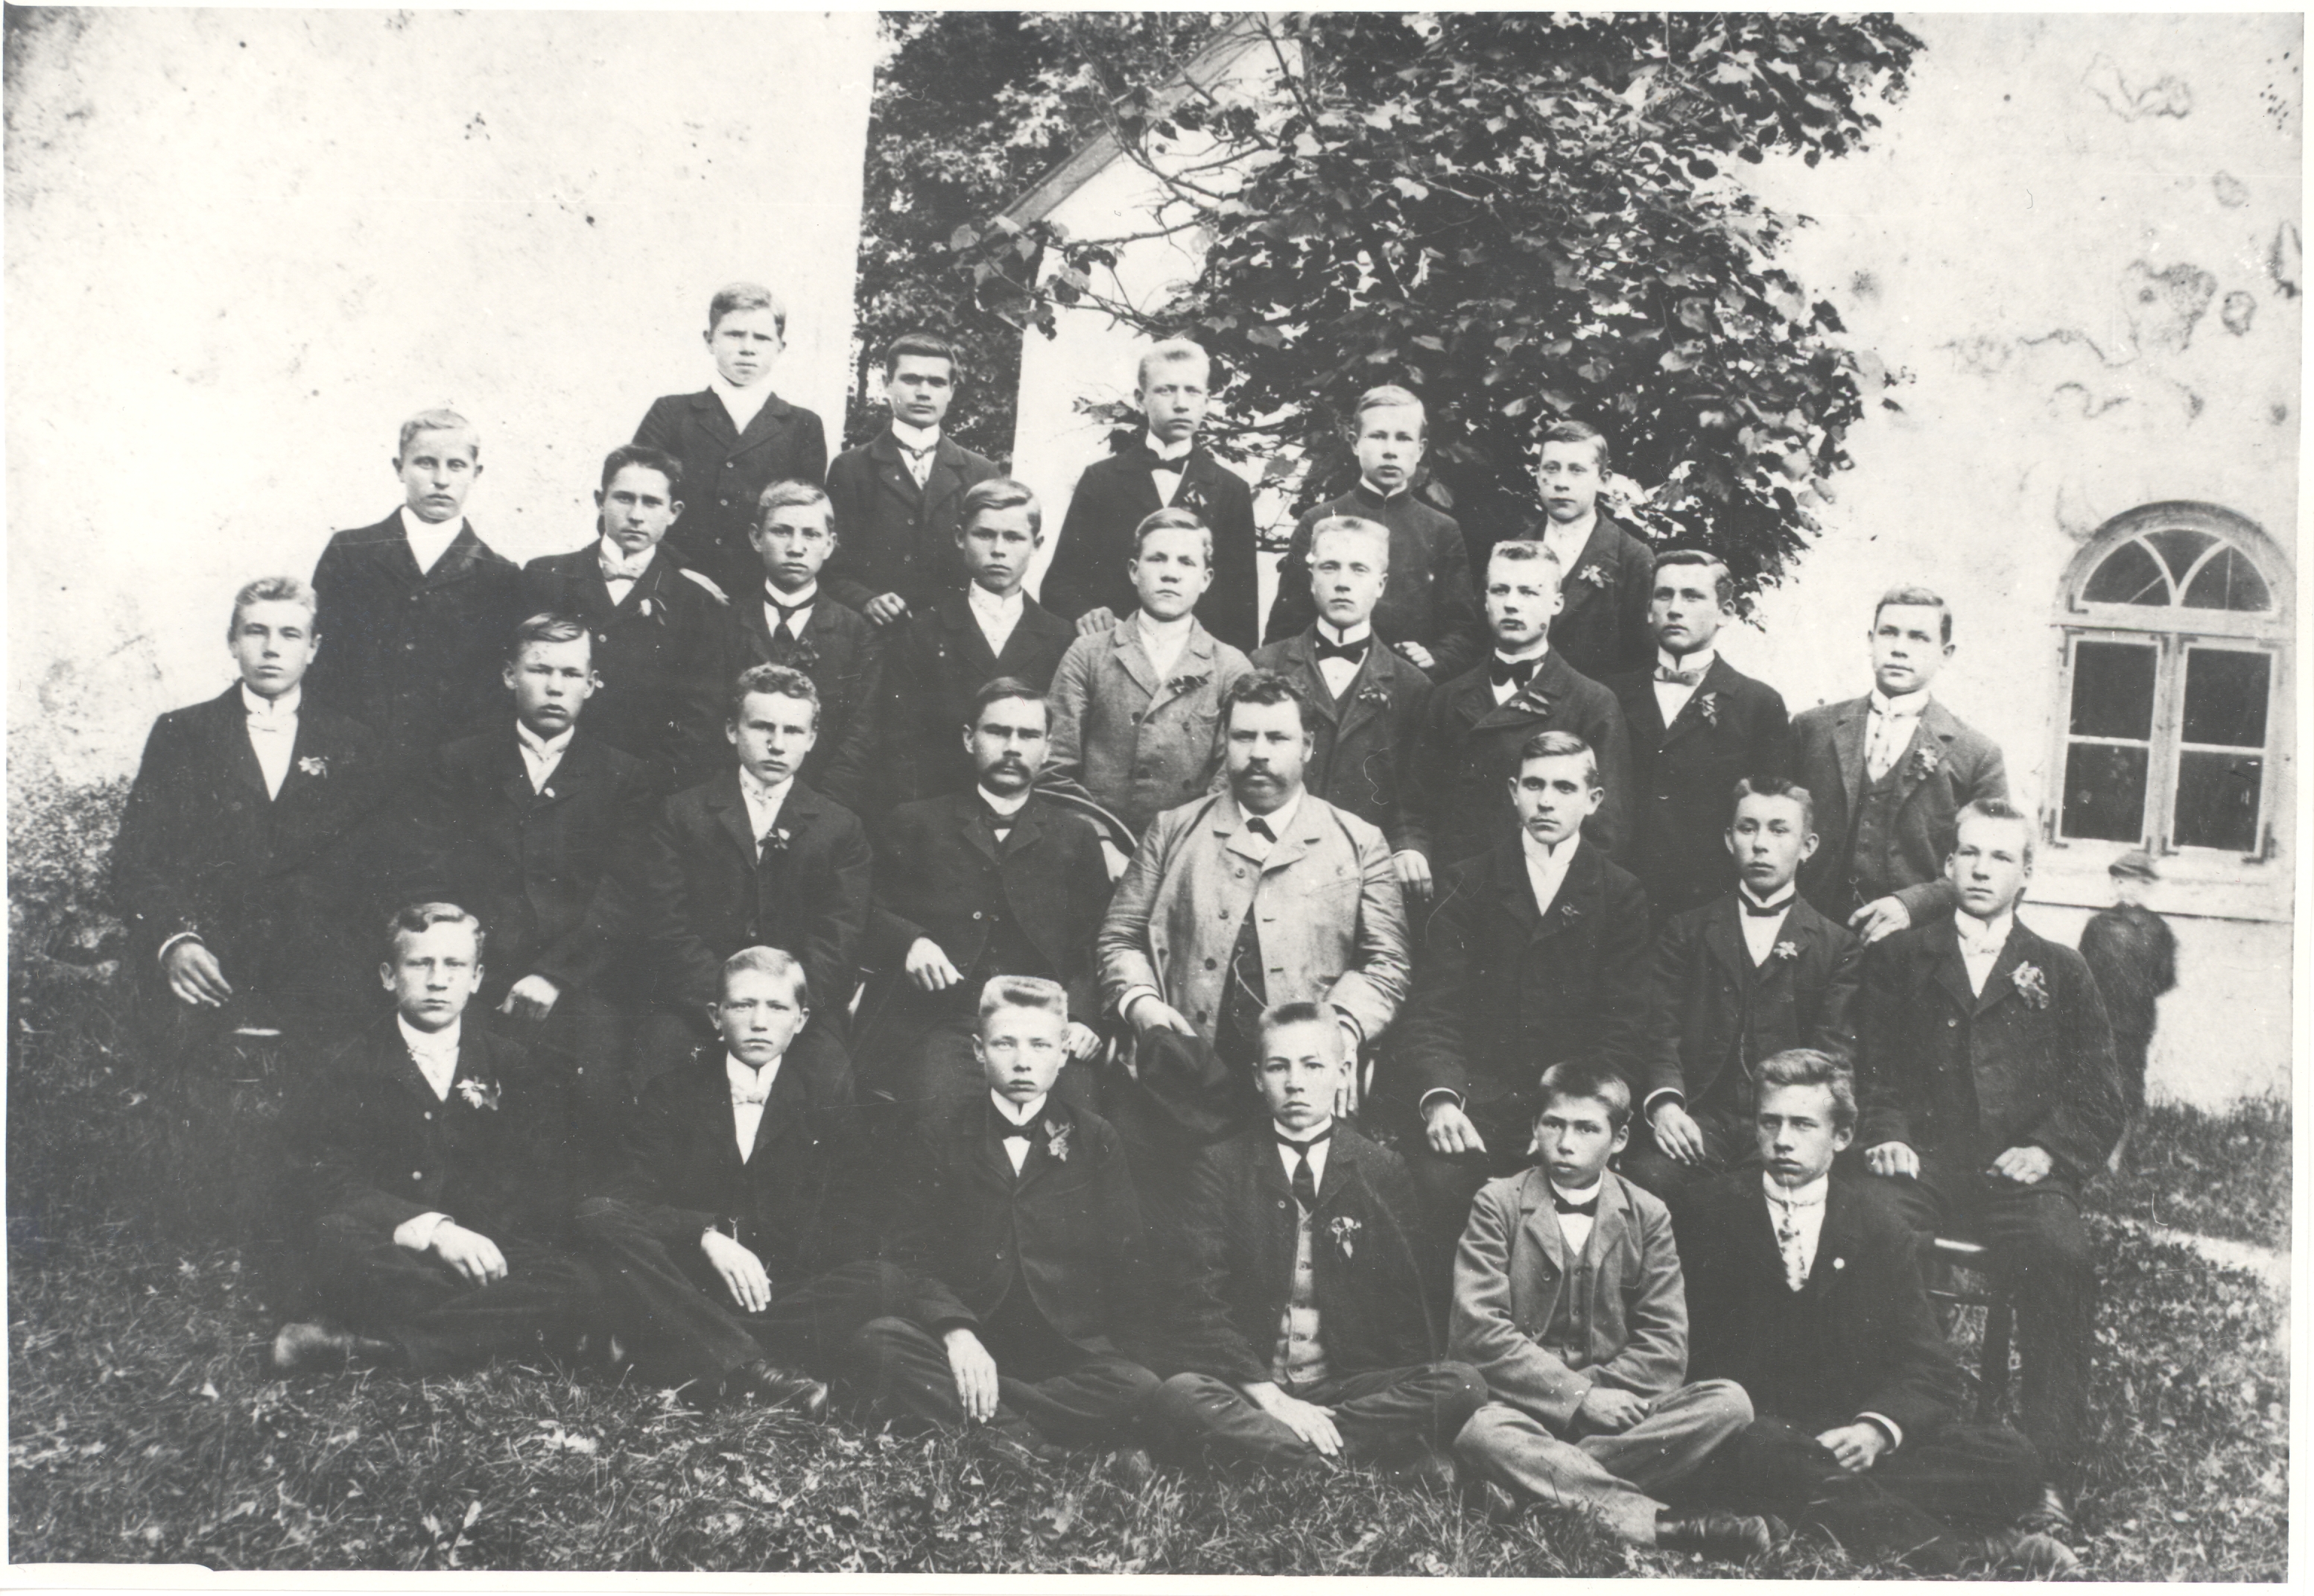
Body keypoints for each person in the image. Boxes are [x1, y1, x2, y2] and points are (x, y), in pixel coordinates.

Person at [1672, 1051, 2069, 1577]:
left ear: (1841, 1137)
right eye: (1770, 1122)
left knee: (2010, 1459)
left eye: (1803, 1125)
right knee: (1763, 1457)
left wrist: (1875, 1431)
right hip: (1759, 1432)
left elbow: (1927, 1366)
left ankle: (1821, 1508)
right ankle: (1972, 1551)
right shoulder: (1708, 1213)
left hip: (1851, 1433)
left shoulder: (1878, 1224)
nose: (1783, 1140)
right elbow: (1690, 1354)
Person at [1855, 799, 2123, 1529]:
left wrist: (2048, 1151)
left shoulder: (2061, 971)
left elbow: (2099, 1093)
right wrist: (1885, 1132)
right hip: (1923, 1167)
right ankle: (1878, 1430)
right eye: (1968, 853)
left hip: (2018, 1175)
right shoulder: (1900, 958)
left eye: (2000, 857)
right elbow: (1869, 1069)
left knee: (2059, 1254)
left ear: (2027, 872)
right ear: (1946, 865)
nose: (1980, 868)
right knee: (1870, 1228)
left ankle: (2040, 1471)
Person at [1097, 672, 1412, 1241]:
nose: (1259, 754)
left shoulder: (1358, 841)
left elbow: (1387, 963)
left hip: (1299, 1084)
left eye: (1277, 738)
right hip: (1187, 1074)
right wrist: (1143, 1006)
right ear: (1224, 742)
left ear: (1309, 748)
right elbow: (1120, 939)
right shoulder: (1172, 830)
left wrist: (1336, 1034)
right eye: (1244, 737)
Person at [1147, 1003, 1486, 1485]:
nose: (1296, 1083)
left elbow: (1408, 1311)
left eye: (1313, 1065)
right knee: (1178, 1395)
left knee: (1463, 1384)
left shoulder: (1381, 1169)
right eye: (1279, 1066)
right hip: (1253, 1388)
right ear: (1259, 1078)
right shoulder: (1220, 1165)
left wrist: (1380, 1392)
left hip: (1343, 1386)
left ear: (1343, 1072)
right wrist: (1273, 1399)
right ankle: (1370, 1469)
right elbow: (1196, 1302)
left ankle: (1286, 1455)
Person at [1448, 1063, 1767, 1559]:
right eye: (1553, 1124)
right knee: (1483, 1432)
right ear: (1535, 1128)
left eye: (1586, 1128)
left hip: (1620, 1414)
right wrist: (1577, 1397)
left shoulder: (1647, 1214)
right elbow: (1478, 1332)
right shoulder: (1499, 1203)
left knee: (1730, 1402)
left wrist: (1602, 1399)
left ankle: (1538, 1487)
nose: (1565, 1142)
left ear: (1619, 1140)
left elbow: (1665, 1344)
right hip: (1523, 1408)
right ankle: (1664, 1524)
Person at [574, 947, 907, 1416]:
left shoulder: (828, 1102)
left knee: (882, 1280)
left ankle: (672, 1347)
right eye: (742, 1006)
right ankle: (754, 1369)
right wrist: (705, 1236)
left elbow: (849, 1219)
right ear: (715, 1016)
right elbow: (626, 1199)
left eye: (776, 1008)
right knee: (599, 1215)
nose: (758, 1021)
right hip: (689, 1278)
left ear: (801, 1020)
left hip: (775, 1294)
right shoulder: (672, 1092)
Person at [271, 904, 600, 1374]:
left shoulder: (512, 1063)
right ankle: (514, 1334)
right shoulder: (345, 1062)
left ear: (477, 978)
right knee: (331, 1240)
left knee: (576, 1281)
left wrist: (490, 1242)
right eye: (420, 964)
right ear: (389, 976)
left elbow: (532, 1179)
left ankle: (364, 1348)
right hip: (390, 1244)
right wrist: (437, 1232)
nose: (438, 980)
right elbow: (324, 1179)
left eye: (454, 965)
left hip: (484, 1251)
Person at [852, 977, 1162, 1466]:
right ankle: (1054, 1453)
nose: (1022, 1060)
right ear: (978, 1051)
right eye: (1005, 1043)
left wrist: (1124, 1354)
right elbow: (908, 1254)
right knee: (878, 1341)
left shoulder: (1094, 1137)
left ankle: (996, 1430)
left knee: (1140, 1385)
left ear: (1063, 1052)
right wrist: (957, 1332)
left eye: (1040, 1045)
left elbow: (1128, 1259)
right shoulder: (939, 1132)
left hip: (1064, 1348)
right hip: (974, 1339)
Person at [1390, 732, 1669, 1270]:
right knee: (1440, 1182)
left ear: (1593, 800)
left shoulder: (1620, 893)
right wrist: (1442, 1100)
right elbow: (1434, 1009)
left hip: (1572, 1109)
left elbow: (1624, 1027)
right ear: (1513, 792)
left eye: (1565, 787)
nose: (1546, 801)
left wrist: (1571, 1120)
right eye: (1535, 785)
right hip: (1479, 1105)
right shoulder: (1468, 882)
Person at [400, 614, 659, 1139]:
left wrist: (554, 976)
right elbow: (430, 878)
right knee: (465, 1117)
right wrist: (473, 968)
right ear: (509, 675)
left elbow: (626, 895)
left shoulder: (624, 776)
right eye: (540, 669)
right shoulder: (459, 764)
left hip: (583, 981)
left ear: (592, 684)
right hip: (480, 978)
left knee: (592, 1112)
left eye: (571, 673)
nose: (556, 685)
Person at [111, 576, 388, 1045]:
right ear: (232, 642)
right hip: (208, 971)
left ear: (315, 648)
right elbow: (135, 862)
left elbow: (372, 870)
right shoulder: (183, 734)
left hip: (317, 979)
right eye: (256, 632)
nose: (272, 648)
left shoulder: (354, 743)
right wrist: (176, 941)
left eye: (290, 634)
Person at [858, 680, 1111, 1118]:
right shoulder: (916, 823)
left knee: (1076, 1119)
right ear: (969, 738)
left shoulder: (1076, 835)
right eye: (998, 732)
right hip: (944, 1020)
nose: (1013, 747)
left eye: (1028, 736)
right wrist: (911, 942)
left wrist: (1083, 1017)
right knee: (937, 1112)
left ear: (1048, 748)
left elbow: (1090, 944)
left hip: (1043, 1024)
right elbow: (866, 910)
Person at [1622, 776, 1861, 1202]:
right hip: (1699, 1117)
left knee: (1758, 1198)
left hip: (1783, 1125)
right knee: (1648, 1182)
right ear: (1729, 840)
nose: (1760, 843)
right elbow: (1661, 1030)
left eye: (1779, 830)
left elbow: (1832, 1055)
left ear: (1808, 846)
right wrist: (1666, 1106)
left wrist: (1789, 1125)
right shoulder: (1687, 930)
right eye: (1747, 828)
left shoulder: (1837, 946)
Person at [635, 665, 872, 1077]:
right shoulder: (683, 814)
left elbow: (839, 940)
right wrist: (731, 1007)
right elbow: (666, 928)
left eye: (793, 732)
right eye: (762, 727)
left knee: (827, 1076)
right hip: (698, 1008)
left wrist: (784, 1010)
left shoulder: (840, 828)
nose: (777, 744)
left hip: (798, 1015)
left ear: (812, 739)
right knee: (661, 1067)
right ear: (732, 730)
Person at [1400, 539, 1632, 887]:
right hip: (1454, 893)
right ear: (1486, 601)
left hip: (1541, 896)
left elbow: (1606, 828)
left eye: (1528, 592)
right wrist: (1411, 848)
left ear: (1556, 603)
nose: (1511, 604)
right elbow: (1414, 803)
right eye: (1500, 590)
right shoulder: (1447, 698)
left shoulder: (1592, 702)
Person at [305, 408, 525, 767]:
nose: (441, 479)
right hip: (351, 758)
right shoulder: (350, 552)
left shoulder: (499, 575)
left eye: (456, 465)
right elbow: (316, 658)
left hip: (447, 772)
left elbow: (496, 691)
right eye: (425, 463)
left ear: (476, 474)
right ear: (399, 468)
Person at [1790, 586, 2008, 943]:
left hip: (1915, 949)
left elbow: (1994, 867)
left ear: (1945, 653)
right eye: (1888, 633)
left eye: (1919, 638)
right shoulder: (1812, 729)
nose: (1899, 648)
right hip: (1811, 940)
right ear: (1870, 640)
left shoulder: (1977, 754)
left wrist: (1912, 906)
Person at [518, 445, 728, 790]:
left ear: (674, 512)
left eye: (652, 502)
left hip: (639, 790)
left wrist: (645, 786)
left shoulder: (696, 603)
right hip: (543, 778)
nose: (636, 515)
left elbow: (699, 721)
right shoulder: (547, 577)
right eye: (624, 498)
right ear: (600, 500)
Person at [863, 478, 1074, 809]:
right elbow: (898, 748)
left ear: (1037, 544)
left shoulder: (1061, 637)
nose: (999, 549)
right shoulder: (921, 632)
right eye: (985, 534)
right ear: (961, 537)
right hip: (935, 818)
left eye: (1015, 537)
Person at [1039, 339, 1261, 652]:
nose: (1181, 403)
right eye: (1166, 390)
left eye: (1192, 391)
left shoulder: (1230, 490)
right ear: (1141, 399)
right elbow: (1058, 585)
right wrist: (1084, 612)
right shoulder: (1101, 480)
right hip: (1116, 657)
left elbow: (1242, 607)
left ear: (1207, 401)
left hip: (1198, 668)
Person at [1605, 549, 1790, 925]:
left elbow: (1769, 818)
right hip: (1616, 901)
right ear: (1648, 609)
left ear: (1725, 612)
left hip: (1709, 907)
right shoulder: (1609, 697)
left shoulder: (1758, 704)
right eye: (1664, 595)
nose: (1675, 608)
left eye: (1692, 596)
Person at [1045, 508, 1253, 835]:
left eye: (1186, 562)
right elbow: (1053, 766)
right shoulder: (1088, 654)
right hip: (1096, 849)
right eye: (1157, 559)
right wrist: (1100, 842)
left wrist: (1184, 846)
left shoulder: (1230, 666)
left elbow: (1234, 775)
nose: (1170, 573)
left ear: (1206, 579)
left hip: (1189, 849)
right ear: (1134, 571)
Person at [1249, 515, 1433, 878]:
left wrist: (1409, 848)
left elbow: (1413, 802)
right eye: (1330, 567)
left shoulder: (1411, 685)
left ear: (1381, 584)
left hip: (1361, 868)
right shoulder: (1265, 666)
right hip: (1270, 861)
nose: (1343, 583)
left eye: (1359, 569)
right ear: (1312, 578)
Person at [1262, 387, 1485, 680]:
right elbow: (1285, 627)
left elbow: (1462, 630)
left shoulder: (1441, 529)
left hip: (1409, 692)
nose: (1390, 450)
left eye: (1403, 438)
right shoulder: (1317, 521)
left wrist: (1435, 659)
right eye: (1378, 436)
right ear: (1355, 443)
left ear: (1419, 449)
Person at [633, 281, 828, 598]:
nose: (748, 348)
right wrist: (677, 571)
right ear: (709, 340)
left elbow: (806, 523)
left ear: (781, 347)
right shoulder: (671, 413)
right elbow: (634, 501)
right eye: (734, 334)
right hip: (674, 585)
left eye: (762, 338)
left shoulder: (802, 425)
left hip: (759, 593)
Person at [717, 481, 881, 809]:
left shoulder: (857, 633)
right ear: (756, 537)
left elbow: (859, 736)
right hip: (731, 804)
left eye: (811, 534)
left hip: (822, 807)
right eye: (781, 532)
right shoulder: (723, 625)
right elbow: (707, 726)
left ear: (830, 544)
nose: (795, 547)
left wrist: (820, 811)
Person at [822, 332, 1001, 621]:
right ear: (887, 384)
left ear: (951, 390)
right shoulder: (851, 467)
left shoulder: (981, 472)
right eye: (911, 379)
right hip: (876, 634)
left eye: (937, 382)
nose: (923, 392)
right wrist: (866, 601)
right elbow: (831, 565)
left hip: (953, 638)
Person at [1524, 419, 1654, 680]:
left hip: (1592, 715)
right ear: (1539, 476)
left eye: (1576, 470)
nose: (1561, 482)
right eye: (1551, 468)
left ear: (1603, 480)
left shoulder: (1632, 557)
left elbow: (1643, 662)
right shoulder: (1514, 551)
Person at [2077, 849, 2177, 1173]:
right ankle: (2091, 1148)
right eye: (2121, 881)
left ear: (2148, 886)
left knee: (2130, 1084)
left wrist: (2134, 994)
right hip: (2098, 1021)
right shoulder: (2097, 927)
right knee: (2095, 1080)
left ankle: (2119, 1153)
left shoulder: (2158, 931)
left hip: (2135, 1023)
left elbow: (2164, 978)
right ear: (2114, 884)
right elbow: (2083, 971)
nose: (2128, 889)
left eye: (2137, 883)